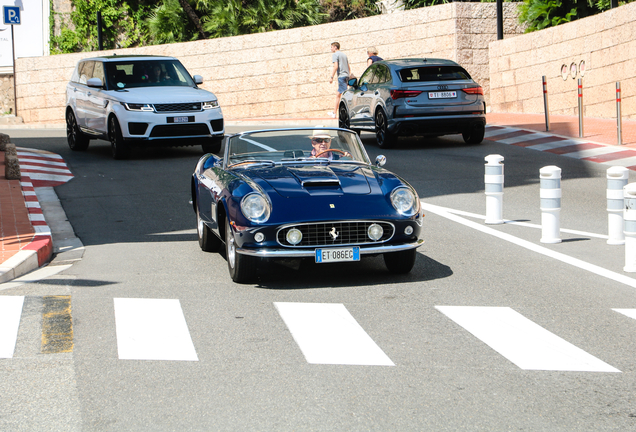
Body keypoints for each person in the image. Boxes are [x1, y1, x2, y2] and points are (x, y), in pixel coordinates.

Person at [328, 42, 350, 118]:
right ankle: (334, 112)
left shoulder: (335, 55)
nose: (331, 49)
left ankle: (347, 113)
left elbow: (336, 66)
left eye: (331, 47)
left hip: (341, 76)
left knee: (344, 95)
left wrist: (331, 77)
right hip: (346, 75)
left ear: (335, 47)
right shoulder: (344, 55)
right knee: (338, 94)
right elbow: (348, 66)